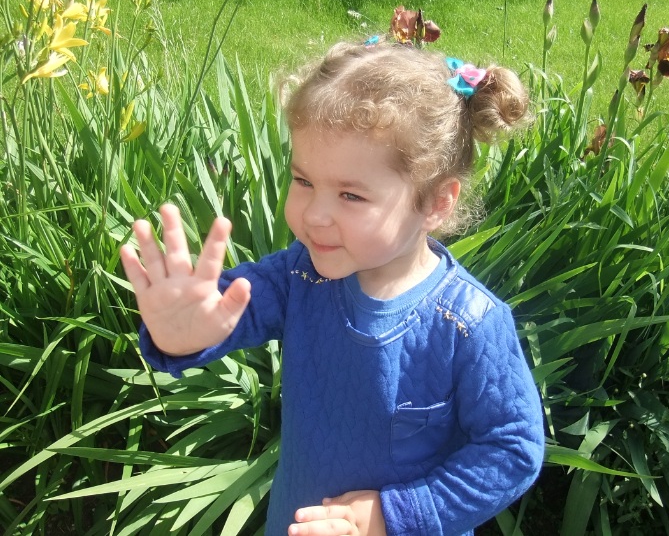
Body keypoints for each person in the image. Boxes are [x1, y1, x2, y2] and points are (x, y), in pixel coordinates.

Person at [120, 40, 545, 536]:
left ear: (435, 202)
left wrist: (394, 515)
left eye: (350, 194)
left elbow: (512, 450)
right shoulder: (301, 275)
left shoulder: (468, 323)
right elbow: (231, 309)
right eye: (303, 181)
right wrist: (184, 333)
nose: (315, 215)